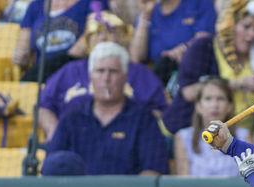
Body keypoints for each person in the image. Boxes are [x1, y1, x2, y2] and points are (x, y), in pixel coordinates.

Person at [43, 41, 169, 175]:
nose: (106, 78)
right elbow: (51, 168)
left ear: (125, 77)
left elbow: (153, 170)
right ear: (90, 76)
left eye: (113, 71)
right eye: (100, 71)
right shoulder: (71, 119)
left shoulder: (144, 120)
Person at [39, 12, 166, 139]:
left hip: (125, 143)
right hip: (72, 142)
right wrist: (54, 131)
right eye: (97, 33)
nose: (103, 38)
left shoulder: (140, 73)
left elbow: (161, 111)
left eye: (109, 32)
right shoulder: (70, 70)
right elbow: (43, 106)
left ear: (122, 38)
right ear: (87, 39)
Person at [161, 0, 254, 136]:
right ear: (230, 24)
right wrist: (239, 83)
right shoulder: (204, 47)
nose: (252, 34)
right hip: (193, 131)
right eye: (246, 26)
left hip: (243, 135)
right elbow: (189, 92)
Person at [13, 0, 109, 81]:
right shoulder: (35, 6)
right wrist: (20, 55)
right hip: (40, 73)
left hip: (75, 69)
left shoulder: (95, 2)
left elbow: (91, 39)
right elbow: (22, 49)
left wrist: (58, 65)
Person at [129, 0, 216, 87]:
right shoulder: (151, 11)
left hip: (194, 77)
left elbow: (205, 37)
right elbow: (136, 58)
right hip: (159, 79)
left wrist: (184, 49)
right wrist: (145, 16)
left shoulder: (198, 3)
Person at [174, 77, 248, 176]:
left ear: (230, 106)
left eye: (220, 99)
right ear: (198, 106)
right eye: (208, 99)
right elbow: (183, 184)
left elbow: (249, 181)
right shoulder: (184, 137)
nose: (214, 105)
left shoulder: (244, 136)